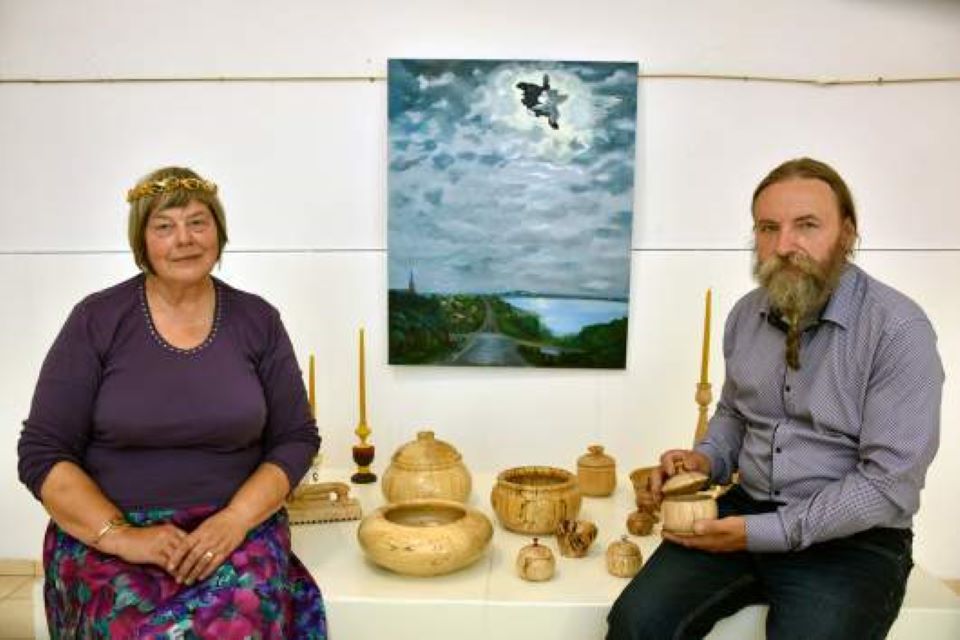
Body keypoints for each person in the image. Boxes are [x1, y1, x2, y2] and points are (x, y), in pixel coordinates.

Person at [607, 157, 943, 640]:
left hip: (853, 539)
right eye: (768, 228)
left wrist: (764, 533)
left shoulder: (898, 330)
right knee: (636, 624)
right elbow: (734, 414)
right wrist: (705, 459)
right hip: (745, 510)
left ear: (847, 233)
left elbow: (889, 482)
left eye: (806, 225)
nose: (784, 246)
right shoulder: (745, 315)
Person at [18, 167, 327, 638]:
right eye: (164, 226)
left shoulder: (258, 319)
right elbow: (42, 452)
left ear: (219, 233)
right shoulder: (96, 320)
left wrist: (236, 519)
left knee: (235, 622)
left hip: (231, 528)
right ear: (142, 242)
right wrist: (124, 538)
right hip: (112, 532)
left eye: (198, 222)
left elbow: (296, 438)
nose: (184, 239)